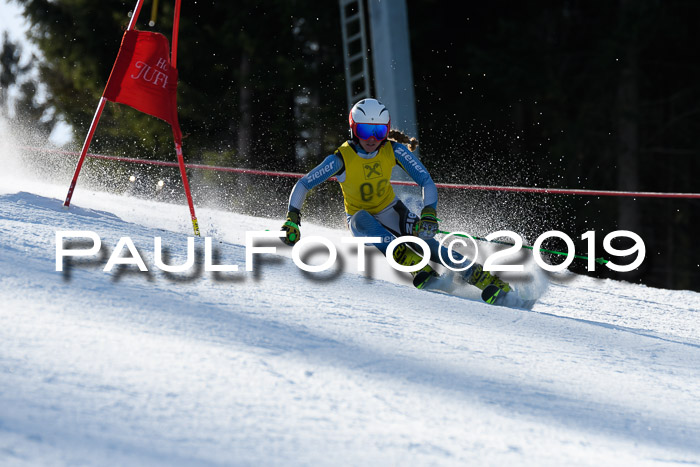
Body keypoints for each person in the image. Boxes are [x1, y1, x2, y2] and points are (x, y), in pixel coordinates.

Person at [281, 98, 511, 303]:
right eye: (364, 131)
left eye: (379, 132)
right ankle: (413, 264)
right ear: (353, 130)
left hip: (393, 211)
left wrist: (429, 213)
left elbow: (426, 181)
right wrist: (293, 217)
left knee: (430, 244)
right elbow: (304, 184)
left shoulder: (394, 150)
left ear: (387, 131)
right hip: (361, 220)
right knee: (361, 219)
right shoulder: (341, 158)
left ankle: (487, 280)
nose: (372, 139)